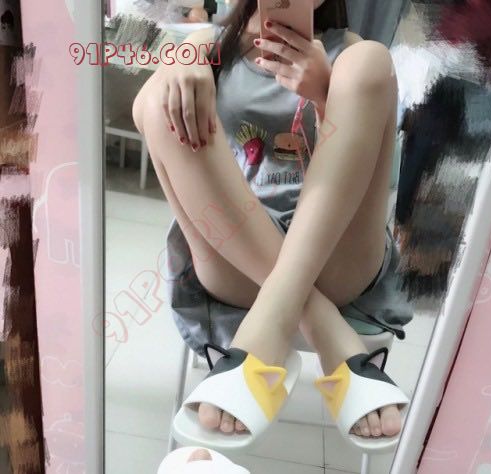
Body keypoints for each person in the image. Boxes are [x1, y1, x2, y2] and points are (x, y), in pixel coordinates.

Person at [133, 0, 404, 443]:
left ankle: (266, 331)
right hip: (240, 259)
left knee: (370, 60)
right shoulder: (208, 44)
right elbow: (146, 110)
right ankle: (324, 328)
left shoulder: (346, 52)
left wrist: (324, 94)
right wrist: (182, 64)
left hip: (335, 253)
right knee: (155, 98)